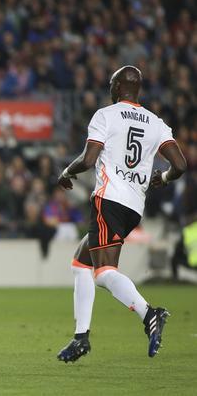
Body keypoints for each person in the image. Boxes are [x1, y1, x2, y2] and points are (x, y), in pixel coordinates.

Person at [55, 66, 187, 363]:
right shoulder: (157, 123)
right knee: (81, 262)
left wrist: (66, 171)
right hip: (133, 207)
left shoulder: (106, 115)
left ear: (116, 87)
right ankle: (81, 337)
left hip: (109, 200)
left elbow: (89, 159)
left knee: (103, 273)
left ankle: (149, 313)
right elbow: (180, 165)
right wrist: (162, 178)